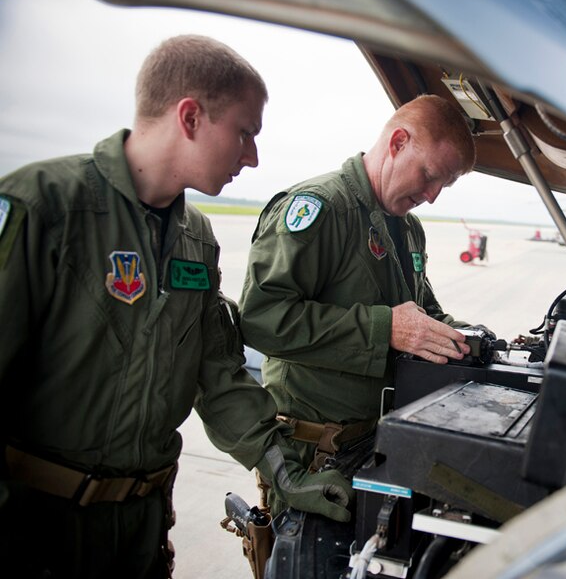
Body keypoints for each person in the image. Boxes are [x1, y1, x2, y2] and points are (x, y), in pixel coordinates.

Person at [0, 35, 350, 579]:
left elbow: (215, 371)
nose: (253, 156)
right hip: (35, 534)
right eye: (244, 133)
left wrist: (282, 471)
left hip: (139, 535)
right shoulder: (47, 207)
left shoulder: (197, 239)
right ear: (190, 117)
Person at [239, 94, 485, 518]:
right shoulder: (320, 209)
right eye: (428, 175)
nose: (431, 196)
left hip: (376, 446)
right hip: (314, 459)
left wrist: (472, 338)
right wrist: (383, 329)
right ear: (397, 143)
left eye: (443, 185)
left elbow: (422, 314)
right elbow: (262, 319)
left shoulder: (407, 230)